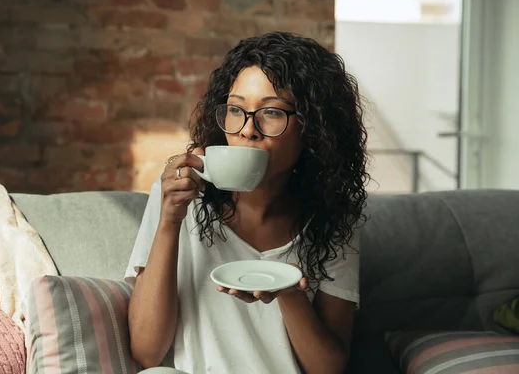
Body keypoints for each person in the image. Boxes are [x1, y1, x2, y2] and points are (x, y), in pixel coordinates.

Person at [124, 31, 369, 374]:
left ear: (314, 129)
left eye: (271, 112)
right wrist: (168, 220)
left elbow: (327, 369)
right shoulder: (179, 197)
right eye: (236, 109)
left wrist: (289, 293)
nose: (247, 130)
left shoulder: (334, 218)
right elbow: (146, 352)